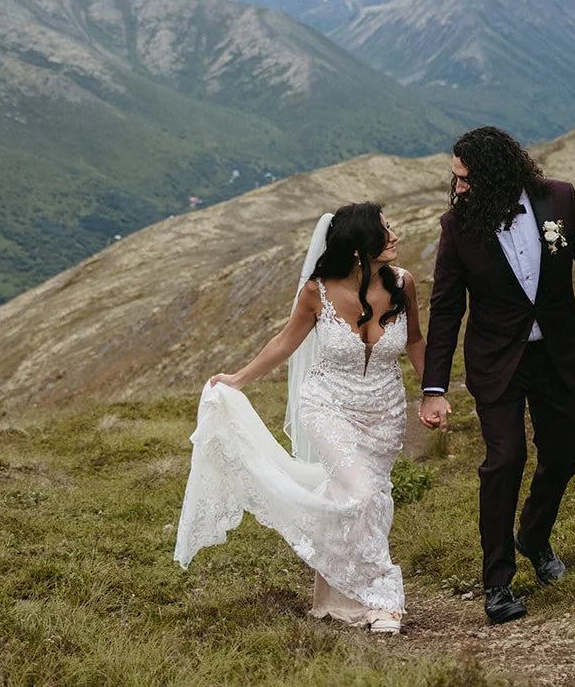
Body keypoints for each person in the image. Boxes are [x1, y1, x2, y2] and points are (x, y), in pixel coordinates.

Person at [173, 203, 424, 635]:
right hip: (328, 406)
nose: (395, 235)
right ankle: (383, 598)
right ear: (360, 247)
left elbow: (416, 340)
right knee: (361, 494)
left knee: (370, 499)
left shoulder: (404, 284)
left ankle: (337, 597)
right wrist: (238, 379)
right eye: (385, 230)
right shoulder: (317, 292)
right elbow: (284, 342)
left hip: (385, 412)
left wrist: (434, 393)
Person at [418, 126, 575, 624]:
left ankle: (534, 537)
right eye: (456, 178)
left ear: (497, 173)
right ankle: (497, 583)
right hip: (497, 360)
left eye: (466, 178)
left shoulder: (559, 198)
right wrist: (433, 387)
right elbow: (446, 307)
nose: (458, 187)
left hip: (557, 354)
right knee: (505, 460)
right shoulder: (458, 225)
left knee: (563, 455)